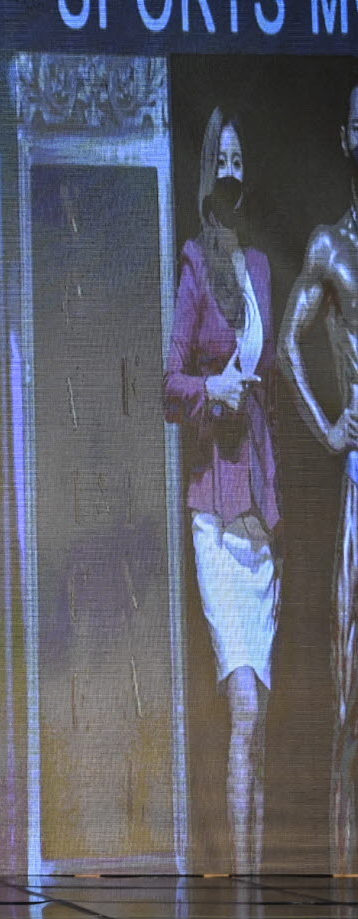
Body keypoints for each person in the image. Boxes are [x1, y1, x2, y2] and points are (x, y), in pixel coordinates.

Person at [164, 106, 280, 875]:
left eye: (241, 159)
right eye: (223, 160)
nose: (232, 172)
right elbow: (167, 383)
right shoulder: (193, 263)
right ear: (208, 171)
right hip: (213, 498)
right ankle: (235, 890)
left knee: (260, 715)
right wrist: (214, 389)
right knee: (240, 706)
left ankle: (259, 887)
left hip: (259, 507)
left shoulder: (262, 266)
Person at [279, 72, 358, 873]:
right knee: (352, 670)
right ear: (345, 139)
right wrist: (330, 429)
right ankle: (345, 861)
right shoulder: (331, 246)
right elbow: (285, 346)